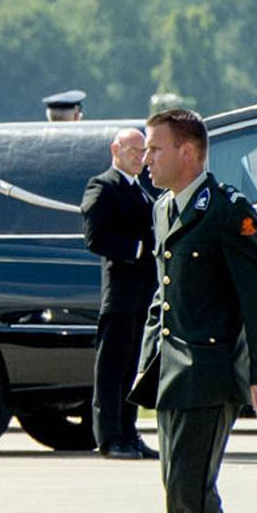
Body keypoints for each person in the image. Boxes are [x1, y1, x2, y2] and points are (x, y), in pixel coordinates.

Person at [133, 108, 257, 513]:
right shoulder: (164, 207)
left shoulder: (227, 210)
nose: (146, 160)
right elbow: (165, 293)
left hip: (212, 370)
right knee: (186, 487)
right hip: (173, 370)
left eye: (155, 149)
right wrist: (150, 356)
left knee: (188, 489)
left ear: (188, 152)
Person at [81, 128, 160, 460]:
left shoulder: (140, 189)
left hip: (142, 292)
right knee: (111, 369)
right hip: (120, 292)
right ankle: (109, 437)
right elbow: (95, 237)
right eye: (134, 150)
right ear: (116, 149)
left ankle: (129, 432)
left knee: (132, 368)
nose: (140, 157)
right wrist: (138, 249)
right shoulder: (103, 186)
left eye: (144, 151)